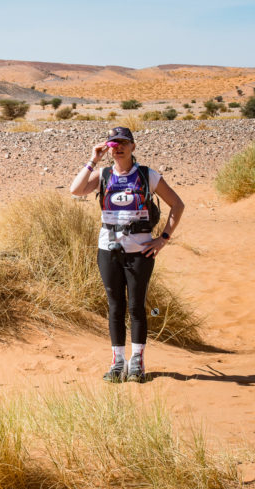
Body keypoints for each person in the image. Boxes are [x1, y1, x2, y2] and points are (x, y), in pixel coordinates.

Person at [70, 127, 184, 383]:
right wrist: (93, 159)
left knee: (136, 307)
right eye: (112, 144)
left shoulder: (147, 175)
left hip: (140, 252)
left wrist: (163, 239)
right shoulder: (103, 174)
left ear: (133, 146)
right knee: (114, 307)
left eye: (123, 142)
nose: (117, 147)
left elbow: (177, 204)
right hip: (108, 249)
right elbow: (75, 190)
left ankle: (137, 363)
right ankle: (117, 362)